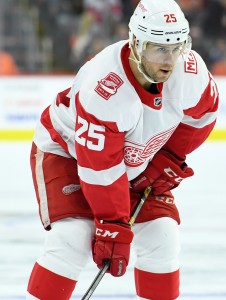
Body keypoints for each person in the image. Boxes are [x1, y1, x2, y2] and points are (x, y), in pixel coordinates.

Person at [26, 0, 219, 299]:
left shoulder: (190, 71)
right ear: (136, 44)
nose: (169, 60)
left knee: (163, 237)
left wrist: (168, 158)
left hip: (135, 160)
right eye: (159, 48)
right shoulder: (104, 88)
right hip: (68, 152)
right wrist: (112, 224)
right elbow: (99, 168)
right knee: (72, 238)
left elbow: (205, 113)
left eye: (177, 47)